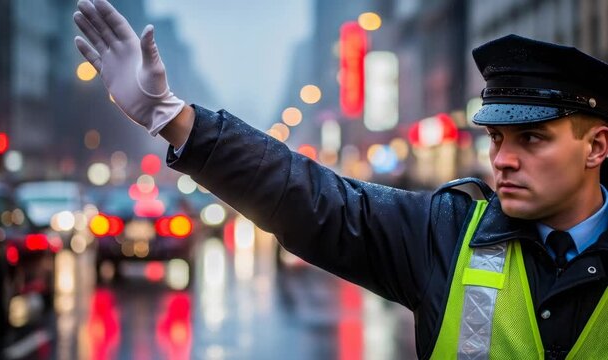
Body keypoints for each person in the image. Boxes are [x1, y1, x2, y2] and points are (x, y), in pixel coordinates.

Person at [73, 1, 608, 359]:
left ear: (596, 148)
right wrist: (173, 118)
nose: (503, 160)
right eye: (496, 139)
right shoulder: (446, 235)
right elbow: (309, 196)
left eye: (532, 139)